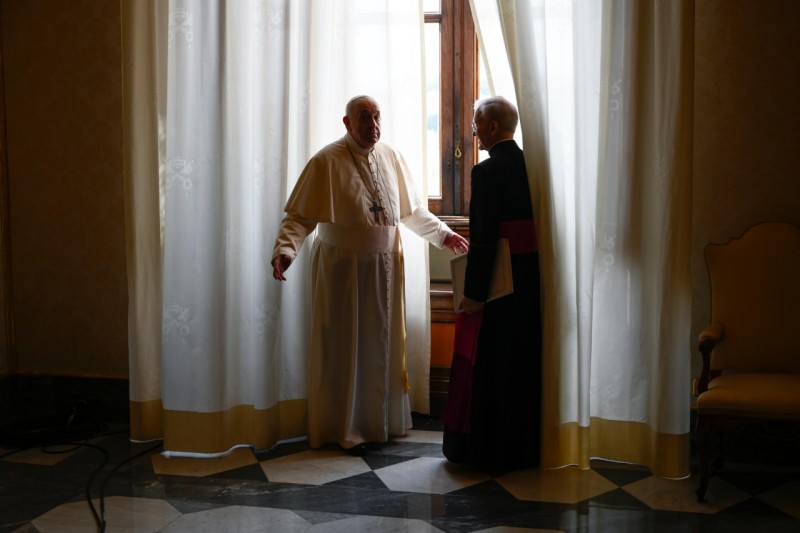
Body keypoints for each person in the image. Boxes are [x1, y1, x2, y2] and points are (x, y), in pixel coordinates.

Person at [272, 95, 468, 456]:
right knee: (345, 349)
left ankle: (380, 423)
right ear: (347, 123)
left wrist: (444, 235)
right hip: (342, 273)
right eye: (364, 118)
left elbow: (411, 212)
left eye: (377, 117)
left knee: (380, 345)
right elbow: (300, 217)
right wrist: (285, 250)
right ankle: (343, 427)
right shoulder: (326, 161)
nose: (373, 126)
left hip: (385, 270)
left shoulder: (391, 157)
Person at [442, 96, 542, 470]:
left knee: (493, 366)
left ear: (494, 127)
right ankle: (523, 449)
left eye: (477, 124)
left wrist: (474, 295)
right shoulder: (535, 165)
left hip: (500, 283)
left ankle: (488, 452)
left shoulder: (486, 172)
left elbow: (483, 242)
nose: (474, 131)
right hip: (531, 280)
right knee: (522, 363)